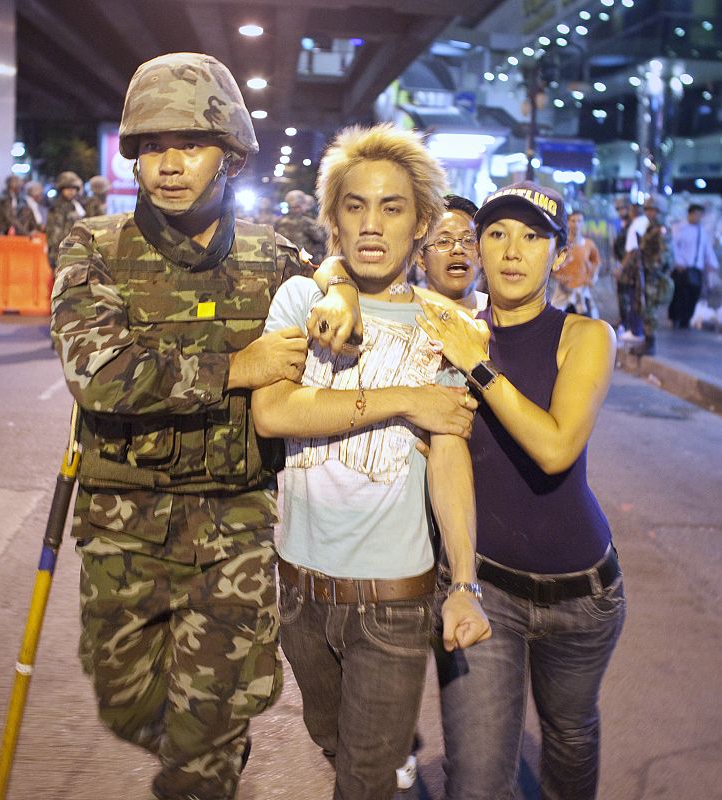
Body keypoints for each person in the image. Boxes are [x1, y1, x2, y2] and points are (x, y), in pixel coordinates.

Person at [50, 52, 352, 800]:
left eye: (188, 144)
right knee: (127, 704)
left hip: (235, 523)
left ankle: (209, 754)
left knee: (203, 740)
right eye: (152, 147)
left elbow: (337, 278)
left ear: (231, 155)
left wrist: (340, 288)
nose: (169, 164)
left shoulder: (272, 253)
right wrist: (235, 368)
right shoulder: (94, 246)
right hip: (124, 527)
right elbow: (99, 373)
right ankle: (207, 741)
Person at [251, 124, 489, 800]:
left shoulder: (446, 326)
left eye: (391, 207)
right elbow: (273, 413)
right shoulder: (303, 299)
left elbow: (448, 454)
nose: (371, 223)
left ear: (421, 223)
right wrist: (406, 397)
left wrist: (465, 582)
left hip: (392, 601)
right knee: (330, 739)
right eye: (354, 205)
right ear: (333, 218)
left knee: (361, 778)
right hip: (297, 591)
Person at [415, 181, 625, 800]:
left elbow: (556, 447)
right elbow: (352, 274)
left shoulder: (586, 337)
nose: (513, 250)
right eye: (498, 234)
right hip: (486, 589)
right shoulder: (450, 327)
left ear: (558, 256)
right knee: (477, 779)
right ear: (477, 247)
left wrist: (478, 367)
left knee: (570, 738)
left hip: (584, 598)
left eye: (534, 236)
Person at [417, 194, 487, 315]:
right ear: (421, 258)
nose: (458, 249)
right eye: (444, 241)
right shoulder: (402, 319)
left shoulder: (500, 315)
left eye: (469, 240)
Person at [620, 195, 673, 354]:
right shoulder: (651, 228)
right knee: (643, 307)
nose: (650, 214)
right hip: (646, 273)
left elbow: (664, 256)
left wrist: (651, 267)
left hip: (652, 276)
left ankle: (650, 344)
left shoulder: (661, 230)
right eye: (648, 210)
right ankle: (647, 341)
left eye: (654, 211)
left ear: (661, 212)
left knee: (649, 309)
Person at [669, 203, 719, 328]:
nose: (698, 217)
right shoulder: (680, 228)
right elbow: (673, 247)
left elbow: (707, 249)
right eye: (696, 214)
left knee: (693, 295)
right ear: (690, 214)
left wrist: (712, 264)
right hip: (683, 268)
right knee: (680, 295)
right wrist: (678, 262)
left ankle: (685, 320)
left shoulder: (702, 232)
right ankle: (675, 318)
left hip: (696, 269)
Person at [551, 210, 601, 318]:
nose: (576, 224)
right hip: (562, 294)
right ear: (568, 222)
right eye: (573, 221)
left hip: (581, 293)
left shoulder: (588, 244)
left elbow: (596, 262)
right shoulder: (560, 245)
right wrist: (557, 277)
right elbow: (550, 266)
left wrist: (593, 277)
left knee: (587, 325)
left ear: (583, 223)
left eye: (579, 221)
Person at [46, 171, 85, 269]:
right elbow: (55, 236)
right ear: (61, 189)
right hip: (62, 254)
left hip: (77, 253)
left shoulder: (77, 205)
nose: (71, 191)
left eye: (73, 188)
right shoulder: (57, 207)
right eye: (67, 188)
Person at [274, 189, 326, 261]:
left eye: (296, 207)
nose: (295, 210)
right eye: (293, 207)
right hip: (295, 262)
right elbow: (321, 238)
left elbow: (321, 240)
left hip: (300, 262)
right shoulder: (307, 222)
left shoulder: (280, 222)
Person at [610, 198, 633, 333]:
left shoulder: (631, 224)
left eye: (622, 208)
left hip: (628, 267)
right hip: (621, 264)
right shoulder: (622, 224)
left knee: (627, 296)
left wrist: (621, 267)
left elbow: (631, 250)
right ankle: (623, 320)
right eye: (618, 209)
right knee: (621, 294)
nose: (620, 211)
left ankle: (628, 323)